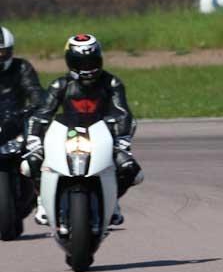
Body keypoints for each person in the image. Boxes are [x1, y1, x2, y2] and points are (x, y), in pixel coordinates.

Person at [27, 34, 143, 226]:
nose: (87, 68)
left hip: (103, 137)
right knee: (30, 163)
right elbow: (42, 114)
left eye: (92, 61)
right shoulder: (60, 85)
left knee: (133, 172)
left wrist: (122, 140)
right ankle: (43, 202)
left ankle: (112, 202)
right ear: (70, 62)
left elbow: (123, 113)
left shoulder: (112, 83)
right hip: (67, 136)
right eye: (81, 62)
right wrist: (34, 138)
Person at [0, 26, 45, 136]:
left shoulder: (22, 67)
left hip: (16, 125)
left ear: (10, 51)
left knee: (38, 145)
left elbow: (35, 91)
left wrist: (31, 108)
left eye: (2, 52)